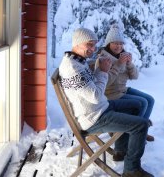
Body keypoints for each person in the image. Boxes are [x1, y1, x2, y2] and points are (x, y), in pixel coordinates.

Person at [59, 27, 154, 177]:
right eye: (89, 44)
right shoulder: (72, 68)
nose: (92, 49)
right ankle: (131, 170)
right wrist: (103, 70)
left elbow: (94, 86)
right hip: (94, 117)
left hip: (100, 107)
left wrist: (100, 70)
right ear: (77, 43)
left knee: (138, 104)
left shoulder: (78, 61)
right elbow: (96, 95)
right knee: (141, 125)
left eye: (94, 45)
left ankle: (121, 149)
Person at [97, 24, 155, 142]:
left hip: (122, 90)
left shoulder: (121, 56)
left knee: (150, 99)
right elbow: (104, 83)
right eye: (115, 43)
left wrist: (129, 64)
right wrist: (118, 64)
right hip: (111, 94)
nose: (118, 46)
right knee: (142, 102)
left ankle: (142, 131)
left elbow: (135, 76)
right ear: (109, 44)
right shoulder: (103, 59)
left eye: (121, 43)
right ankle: (135, 133)